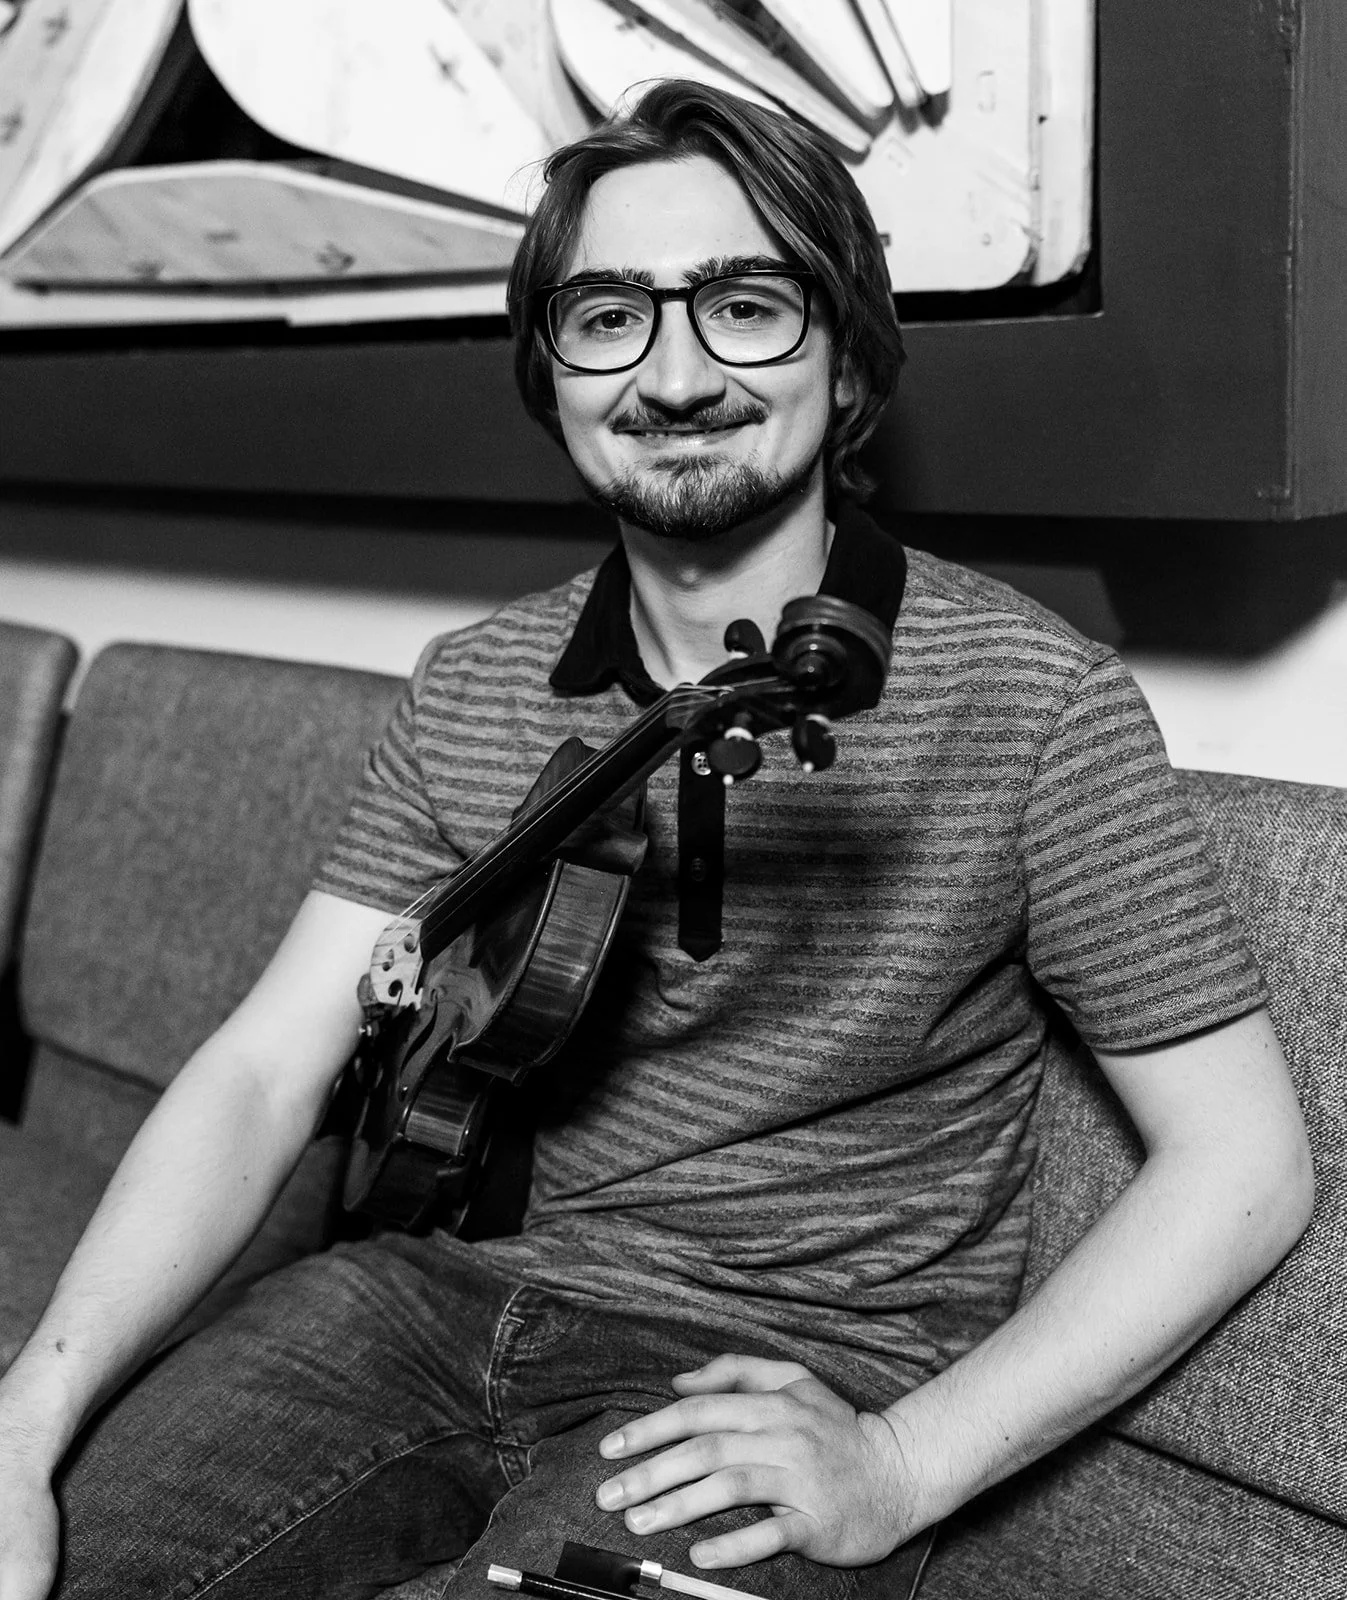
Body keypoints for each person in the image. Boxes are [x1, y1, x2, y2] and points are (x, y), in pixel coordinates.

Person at [0, 80, 1313, 1600]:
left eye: (745, 304)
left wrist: (901, 1465)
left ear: (847, 353)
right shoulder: (474, 684)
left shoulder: (1033, 701)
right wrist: (28, 1407)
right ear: (548, 364)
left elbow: (1240, 1164)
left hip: (766, 1379)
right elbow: (261, 1068)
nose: (675, 374)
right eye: (609, 311)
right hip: (412, 1303)